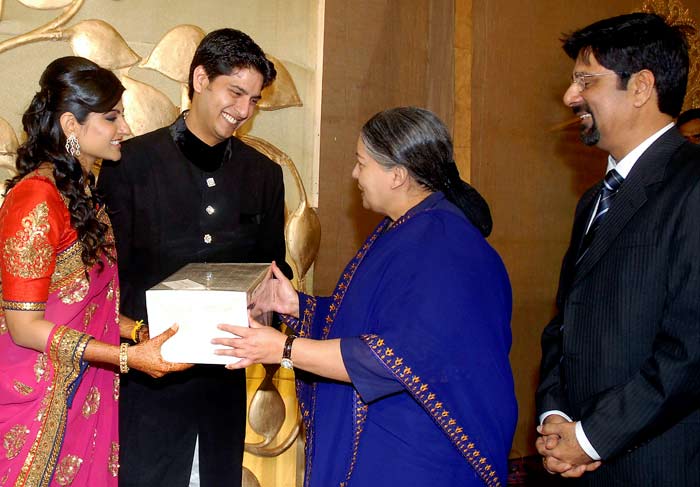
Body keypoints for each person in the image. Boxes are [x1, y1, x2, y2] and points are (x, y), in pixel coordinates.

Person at [213, 107, 518, 486]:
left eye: (361, 163)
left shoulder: (441, 245)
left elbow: (394, 357)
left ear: (398, 174)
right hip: (396, 437)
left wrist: (284, 349)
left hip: (419, 455)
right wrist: (297, 306)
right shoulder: (406, 228)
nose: (355, 175)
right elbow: (369, 322)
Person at [98, 29, 291, 487]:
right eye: (236, 92)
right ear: (200, 79)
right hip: (147, 385)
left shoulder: (263, 174)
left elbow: (270, 274)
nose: (243, 111)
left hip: (223, 387)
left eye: (255, 100)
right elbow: (106, 280)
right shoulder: (131, 164)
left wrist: (266, 323)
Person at [0, 56, 185, 487]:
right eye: (112, 117)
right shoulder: (34, 200)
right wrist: (126, 358)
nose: (125, 128)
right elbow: (24, 326)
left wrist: (138, 333)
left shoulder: (81, 193)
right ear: (71, 125)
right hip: (39, 397)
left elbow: (88, 304)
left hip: (84, 386)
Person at [536, 13, 700, 485]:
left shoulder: (692, 184)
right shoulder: (594, 198)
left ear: (642, 87)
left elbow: (691, 349)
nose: (570, 97)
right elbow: (564, 323)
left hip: (659, 465)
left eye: (585, 80)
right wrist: (554, 417)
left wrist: (590, 438)